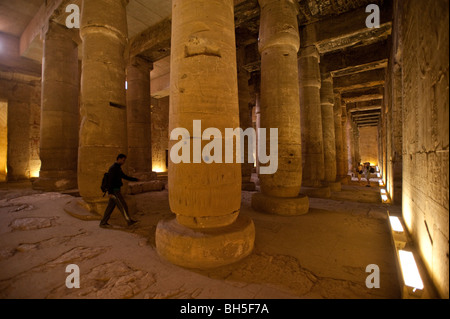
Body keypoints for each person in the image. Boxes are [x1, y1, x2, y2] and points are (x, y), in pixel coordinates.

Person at [100, 154, 139, 228]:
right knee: (123, 206)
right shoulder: (113, 168)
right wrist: (110, 192)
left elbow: (124, 176)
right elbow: (110, 181)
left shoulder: (117, 168)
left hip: (116, 190)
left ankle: (103, 222)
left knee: (110, 207)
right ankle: (129, 221)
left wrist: (135, 179)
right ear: (119, 159)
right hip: (114, 191)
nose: (124, 162)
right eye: (123, 160)